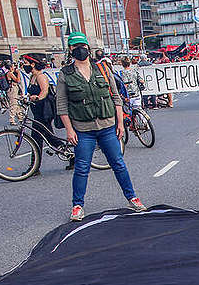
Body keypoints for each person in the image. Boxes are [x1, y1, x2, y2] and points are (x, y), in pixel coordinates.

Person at [56, 32, 144, 222]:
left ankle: (132, 198)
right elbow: (62, 104)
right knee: (81, 167)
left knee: (118, 164)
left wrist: (121, 123)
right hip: (82, 129)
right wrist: (69, 130)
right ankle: (77, 205)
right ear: (70, 50)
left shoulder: (103, 69)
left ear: (88, 47)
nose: (80, 49)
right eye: (75, 46)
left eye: (83, 45)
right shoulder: (66, 74)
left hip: (107, 126)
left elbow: (115, 97)